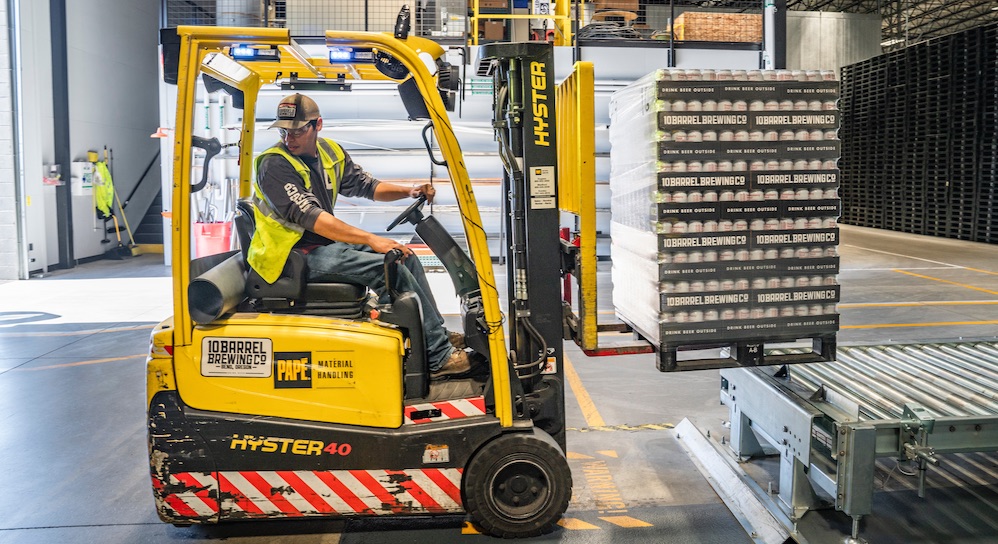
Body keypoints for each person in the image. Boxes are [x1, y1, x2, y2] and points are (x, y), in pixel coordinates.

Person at [248, 93, 469, 377]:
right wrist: (370, 239)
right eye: (284, 130)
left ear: (318, 125)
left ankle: (434, 335)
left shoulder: (329, 152)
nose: (289, 138)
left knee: (405, 257)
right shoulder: (274, 165)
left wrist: (408, 191)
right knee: (387, 268)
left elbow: (367, 186)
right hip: (289, 257)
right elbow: (312, 218)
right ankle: (438, 358)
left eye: (298, 130)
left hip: (318, 246)